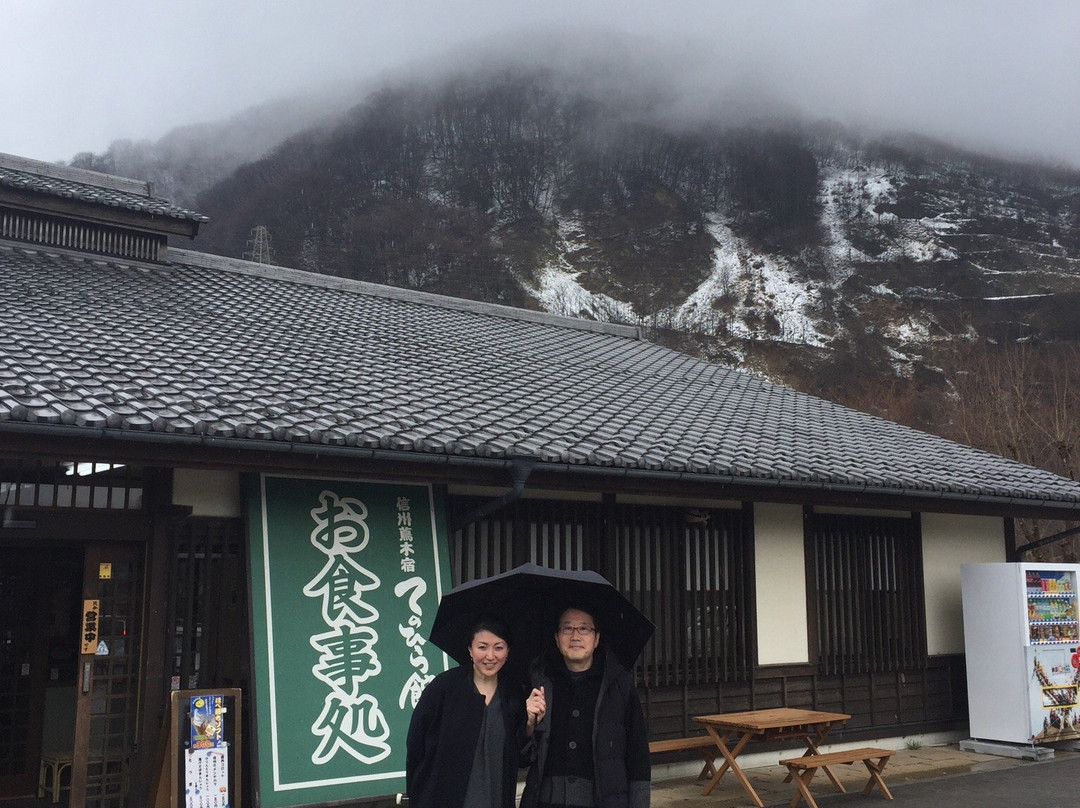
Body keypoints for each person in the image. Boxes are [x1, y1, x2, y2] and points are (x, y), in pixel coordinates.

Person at [521, 606, 651, 808]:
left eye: (584, 629)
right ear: (557, 638)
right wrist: (528, 724)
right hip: (545, 801)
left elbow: (638, 755)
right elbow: (522, 757)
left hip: (605, 801)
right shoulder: (540, 684)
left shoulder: (618, 686)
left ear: (596, 639)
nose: (575, 636)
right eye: (567, 628)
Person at [406, 617, 541, 808]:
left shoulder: (513, 693)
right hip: (444, 798)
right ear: (470, 650)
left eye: (499, 647)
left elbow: (520, 757)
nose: (490, 656)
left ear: (508, 651)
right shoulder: (444, 688)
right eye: (482, 647)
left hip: (497, 798)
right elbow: (415, 746)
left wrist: (529, 723)